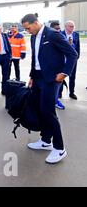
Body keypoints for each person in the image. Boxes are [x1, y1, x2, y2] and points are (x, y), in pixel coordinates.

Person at [22, 14, 78, 164]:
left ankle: (59, 148)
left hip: (52, 79)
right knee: (40, 110)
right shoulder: (33, 37)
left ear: (35, 23)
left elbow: (72, 54)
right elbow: (35, 58)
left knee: (48, 112)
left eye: (28, 28)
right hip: (38, 78)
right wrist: (32, 76)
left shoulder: (53, 35)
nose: (27, 31)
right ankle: (46, 140)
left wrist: (64, 73)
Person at [60, 21, 81, 100]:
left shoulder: (76, 35)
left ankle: (71, 92)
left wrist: (77, 57)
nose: (73, 28)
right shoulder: (60, 34)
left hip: (72, 60)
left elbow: (78, 46)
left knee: (72, 76)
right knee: (61, 76)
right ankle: (59, 92)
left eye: (73, 26)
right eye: (71, 26)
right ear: (66, 27)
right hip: (63, 59)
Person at [50, 21, 67, 110]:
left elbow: (72, 52)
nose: (58, 31)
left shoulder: (61, 36)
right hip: (52, 67)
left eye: (59, 29)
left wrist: (65, 72)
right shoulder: (49, 37)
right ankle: (54, 100)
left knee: (58, 86)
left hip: (61, 66)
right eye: (56, 29)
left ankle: (55, 100)